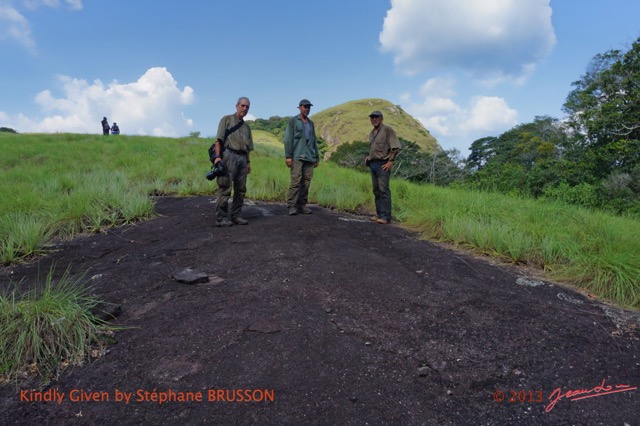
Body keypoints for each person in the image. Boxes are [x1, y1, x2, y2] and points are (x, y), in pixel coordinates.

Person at [211, 97, 254, 227]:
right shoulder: (226, 120)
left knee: (241, 189)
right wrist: (217, 157)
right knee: (225, 187)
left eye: (247, 107)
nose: (244, 108)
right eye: (242, 105)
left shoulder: (247, 127)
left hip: (242, 158)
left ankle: (236, 215)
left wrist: (248, 163)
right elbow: (218, 140)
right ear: (236, 106)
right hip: (229, 155)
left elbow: (248, 148)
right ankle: (221, 218)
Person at [284, 99, 320, 215]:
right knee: (295, 181)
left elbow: (314, 141)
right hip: (297, 156)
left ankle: (302, 205)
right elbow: (288, 139)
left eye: (309, 107)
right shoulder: (293, 121)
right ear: (299, 108)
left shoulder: (311, 123)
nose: (307, 109)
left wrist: (316, 157)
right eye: (305, 107)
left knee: (306, 182)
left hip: (309, 157)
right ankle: (292, 206)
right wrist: (288, 156)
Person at [364, 110, 400, 224]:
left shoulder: (387, 129)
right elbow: (374, 149)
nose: (374, 119)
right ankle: (379, 214)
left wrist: (391, 161)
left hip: (383, 164)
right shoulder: (372, 133)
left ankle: (386, 217)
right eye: (372, 118)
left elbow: (396, 148)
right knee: (376, 190)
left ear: (381, 118)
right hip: (373, 164)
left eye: (376, 117)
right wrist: (369, 157)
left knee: (384, 190)